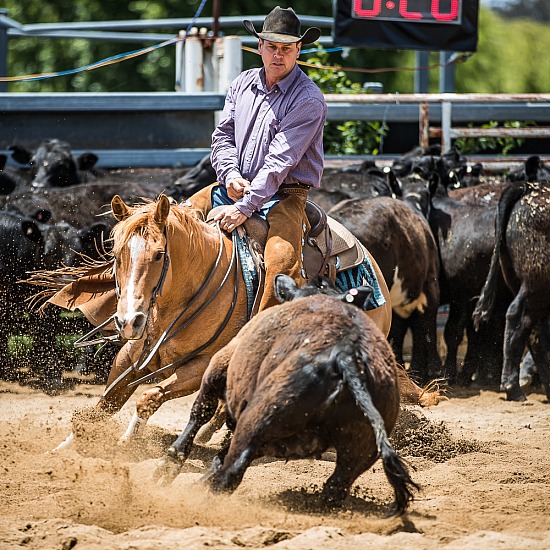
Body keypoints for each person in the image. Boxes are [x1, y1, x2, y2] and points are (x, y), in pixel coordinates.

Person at [185, 6, 327, 311]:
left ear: (298, 50)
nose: (278, 55)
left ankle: (267, 334)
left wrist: (244, 206)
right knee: (174, 223)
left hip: (285, 197)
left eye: (286, 48)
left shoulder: (308, 99)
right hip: (235, 185)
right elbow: (223, 137)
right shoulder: (242, 84)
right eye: (272, 47)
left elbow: (280, 161)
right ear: (260, 47)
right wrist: (231, 175)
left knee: (280, 262)